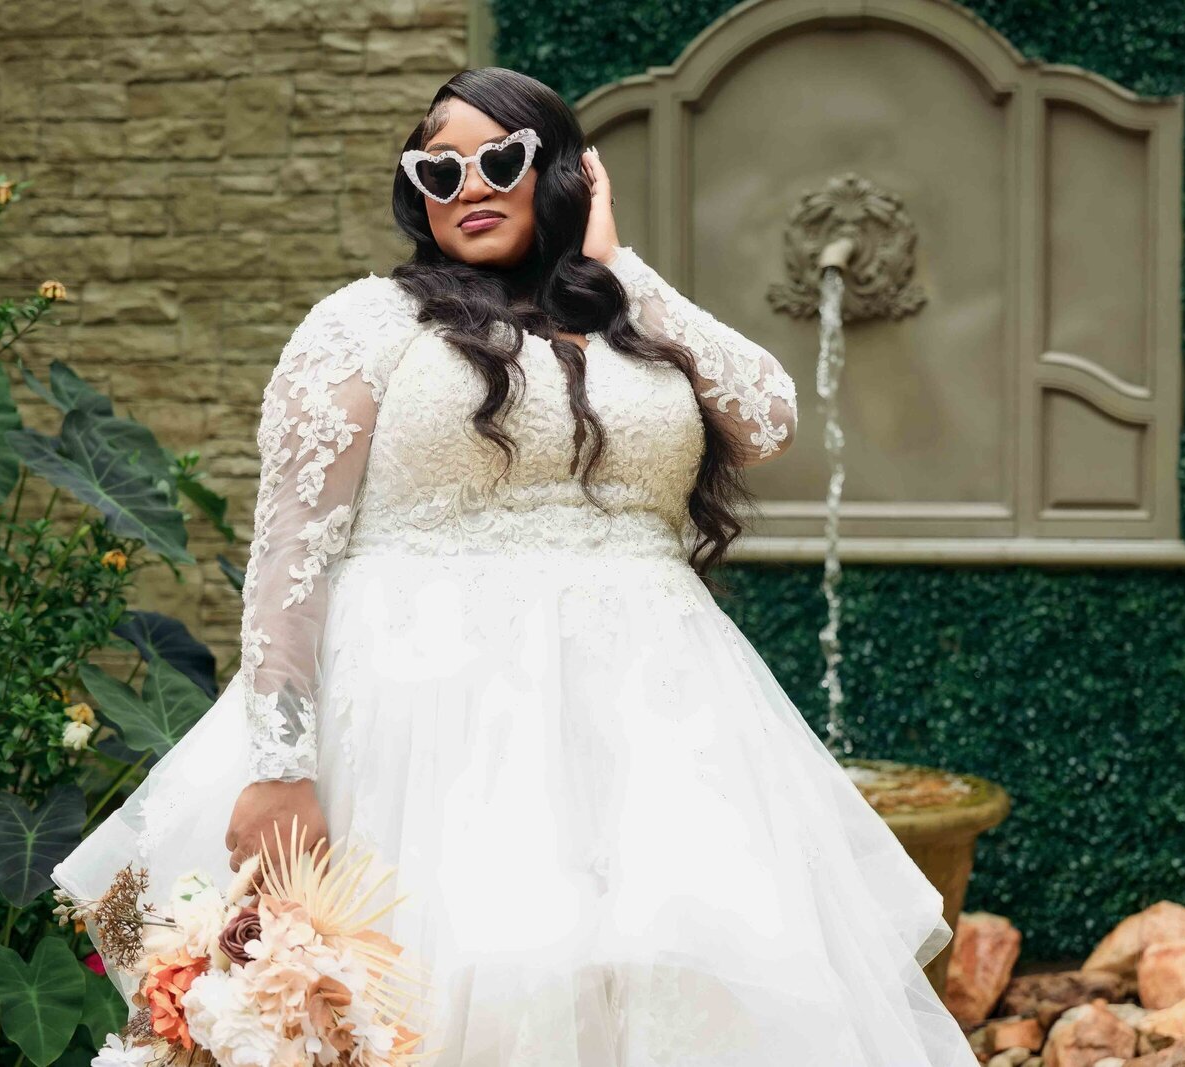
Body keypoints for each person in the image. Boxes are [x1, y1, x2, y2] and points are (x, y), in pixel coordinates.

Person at [54, 66, 978, 1065]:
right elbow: (289, 556)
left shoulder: (630, 321)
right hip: (425, 732)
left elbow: (766, 416)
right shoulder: (365, 326)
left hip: (663, 736)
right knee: (448, 998)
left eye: (499, 160)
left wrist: (619, 266)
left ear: (564, 174)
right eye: (438, 171)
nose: (470, 187)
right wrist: (282, 767)